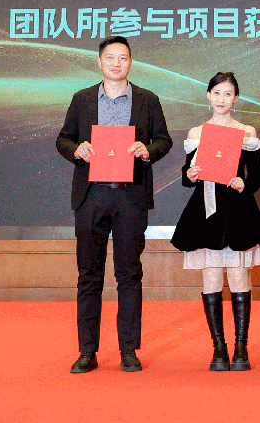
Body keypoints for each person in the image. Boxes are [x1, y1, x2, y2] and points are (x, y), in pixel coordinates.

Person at [55, 36, 172, 374]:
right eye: (110, 57)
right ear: (99, 62)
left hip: (130, 195)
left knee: (129, 273)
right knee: (89, 275)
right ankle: (87, 351)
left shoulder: (147, 99)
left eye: (123, 57)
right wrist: (76, 150)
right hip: (91, 194)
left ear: (131, 62)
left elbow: (164, 140)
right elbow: (63, 139)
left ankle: (128, 350)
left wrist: (148, 151)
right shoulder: (83, 98)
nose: (116, 63)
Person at [171, 72, 260, 371]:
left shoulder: (247, 133)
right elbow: (188, 175)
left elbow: (258, 174)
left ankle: (241, 348)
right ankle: (219, 348)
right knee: (211, 278)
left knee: (239, 277)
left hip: (238, 211)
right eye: (217, 93)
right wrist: (189, 175)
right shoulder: (197, 133)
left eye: (228, 94)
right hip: (205, 213)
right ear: (208, 96)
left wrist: (244, 183)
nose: (222, 99)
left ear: (236, 98)